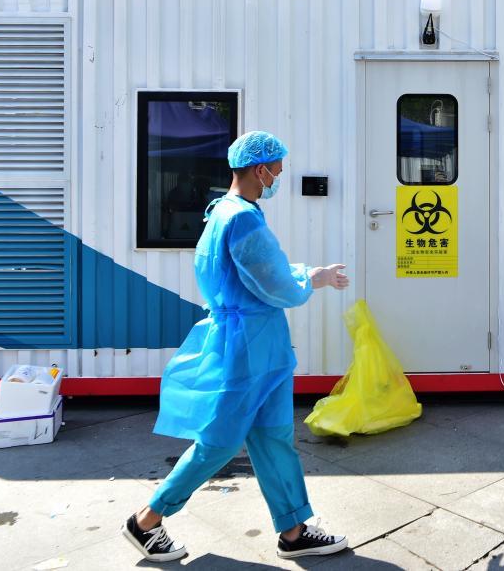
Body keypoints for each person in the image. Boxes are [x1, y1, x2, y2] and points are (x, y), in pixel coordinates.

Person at [123, 131, 350, 562]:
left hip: (256, 342)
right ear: (259, 168)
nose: (280, 174)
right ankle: (147, 519)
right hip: (251, 344)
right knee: (221, 440)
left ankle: (294, 529)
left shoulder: (223, 211)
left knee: (273, 435)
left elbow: (259, 271)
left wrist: (306, 272)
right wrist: (313, 279)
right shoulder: (242, 218)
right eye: (277, 167)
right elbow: (274, 282)